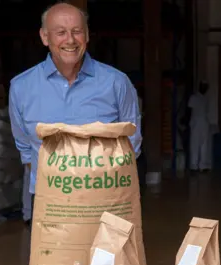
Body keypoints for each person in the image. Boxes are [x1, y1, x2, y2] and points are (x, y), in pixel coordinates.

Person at [8, 2, 142, 227]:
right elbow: (25, 148)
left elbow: (132, 144)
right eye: (60, 32)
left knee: (105, 263)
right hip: (49, 205)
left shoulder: (117, 83)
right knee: (51, 263)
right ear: (44, 37)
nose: (70, 40)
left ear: (87, 35)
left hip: (105, 204)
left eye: (77, 31)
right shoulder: (21, 87)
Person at [188, 81, 211, 172]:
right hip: (195, 122)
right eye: (204, 87)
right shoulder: (194, 97)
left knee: (204, 144)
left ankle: (203, 165)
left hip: (204, 122)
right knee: (195, 144)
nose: (205, 89)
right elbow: (189, 110)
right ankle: (194, 166)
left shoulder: (205, 99)